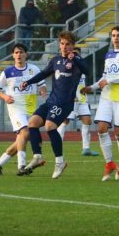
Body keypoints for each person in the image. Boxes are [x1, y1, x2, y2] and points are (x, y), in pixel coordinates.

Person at [17, 31, 90, 179]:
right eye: (62, 43)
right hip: (51, 101)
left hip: (65, 103)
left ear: (73, 46)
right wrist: (28, 82)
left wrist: (75, 57)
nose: (64, 47)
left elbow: (87, 71)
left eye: (68, 44)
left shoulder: (76, 60)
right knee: (32, 123)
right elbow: (43, 74)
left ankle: (59, 162)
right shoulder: (55, 60)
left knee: (50, 126)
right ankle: (37, 156)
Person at [81, 26, 119, 181]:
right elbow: (104, 77)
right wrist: (91, 87)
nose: (116, 38)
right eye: (113, 35)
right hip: (107, 97)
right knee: (101, 129)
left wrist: (109, 80)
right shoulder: (108, 54)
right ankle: (109, 163)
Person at [0, 43, 47, 175]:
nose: (18, 55)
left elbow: (42, 85)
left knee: (22, 138)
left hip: (31, 108)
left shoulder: (34, 69)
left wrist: (43, 91)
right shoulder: (8, 72)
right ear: (13, 55)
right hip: (15, 108)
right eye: (16, 52)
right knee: (25, 132)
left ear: (26, 54)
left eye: (21, 52)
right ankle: (22, 165)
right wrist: (5, 97)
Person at [57, 47, 100, 157]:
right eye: (74, 53)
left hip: (82, 99)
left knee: (87, 121)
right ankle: (57, 146)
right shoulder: (66, 67)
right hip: (70, 100)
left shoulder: (82, 67)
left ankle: (86, 148)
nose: (76, 56)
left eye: (78, 54)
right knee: (64, 122)